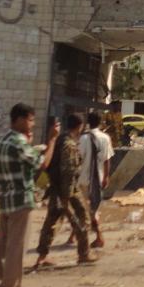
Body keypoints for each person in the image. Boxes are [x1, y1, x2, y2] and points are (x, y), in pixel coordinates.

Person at [0, 104, 60, 287]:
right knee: (15, 250)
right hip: (20, 201)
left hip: (6, 201)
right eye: (30, 120)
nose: (32, 124)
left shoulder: (5, 141)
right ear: (19, 119)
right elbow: (42, 165)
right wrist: (52, 139)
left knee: (2, 248)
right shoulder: (18, 142)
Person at [35, 114, 96, 268]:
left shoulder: (61, 140)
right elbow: (68, 171)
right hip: (67, 190)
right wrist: (67, 196)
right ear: (80, 126)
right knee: (82, 218)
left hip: (57, 188)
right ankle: (84, 254)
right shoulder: (68, 144)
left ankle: (42, 257)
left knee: (52, 221)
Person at [76, 112, 114, 248]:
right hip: (97, 179)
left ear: (88, 122)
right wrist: (106, 176)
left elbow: (77, 159)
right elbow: (107, 160)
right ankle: (75, 236)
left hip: (82, 179)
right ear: (100, 122)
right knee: (89, 208)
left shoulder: (83, 138)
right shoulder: (105, 138)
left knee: (84, 209)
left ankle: (99, 237)